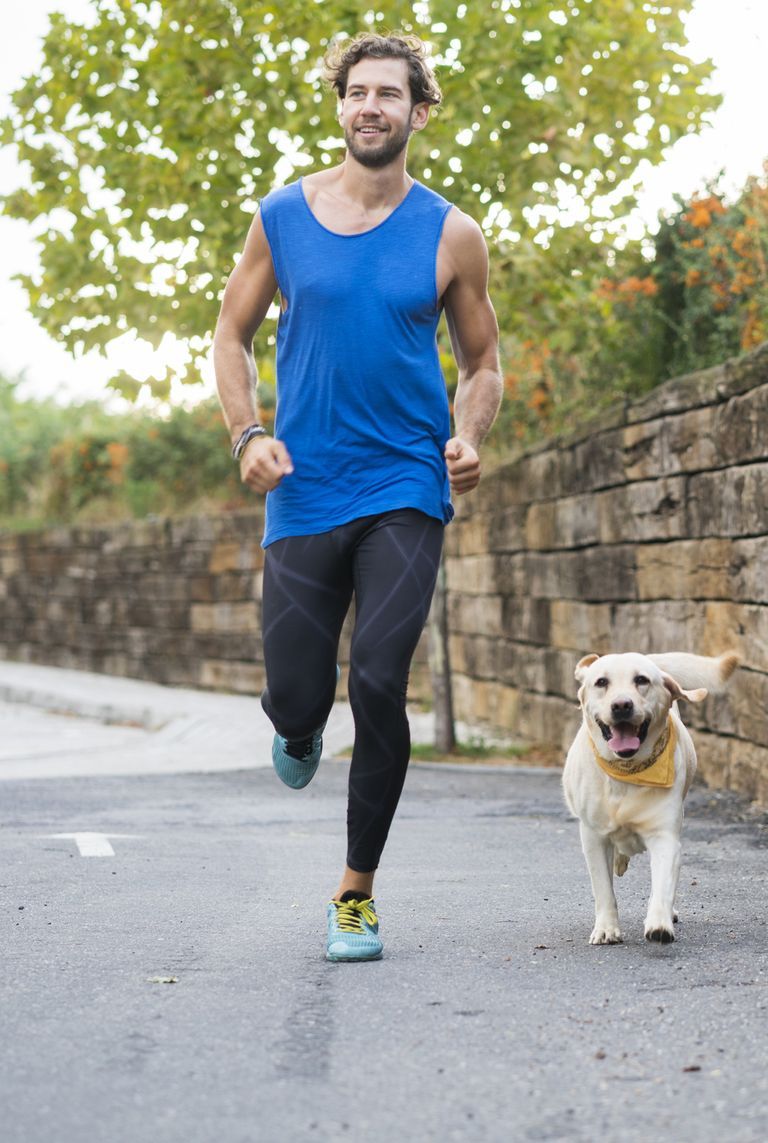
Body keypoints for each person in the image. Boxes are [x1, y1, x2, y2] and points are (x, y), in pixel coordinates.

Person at [213, 31, 502, 962]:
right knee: (296, 692)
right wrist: (247, 434)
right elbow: (230, 335)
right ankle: (296, 729)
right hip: (304, 485)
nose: (369, 107)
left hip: (406, 483)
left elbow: (484, 362)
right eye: (356, 92)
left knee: (379, 681)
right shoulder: (282, 218)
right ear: (340, 106)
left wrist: (471, 433)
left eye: (389, 94)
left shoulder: (451, 232)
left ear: (420, 112)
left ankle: (355, 892)